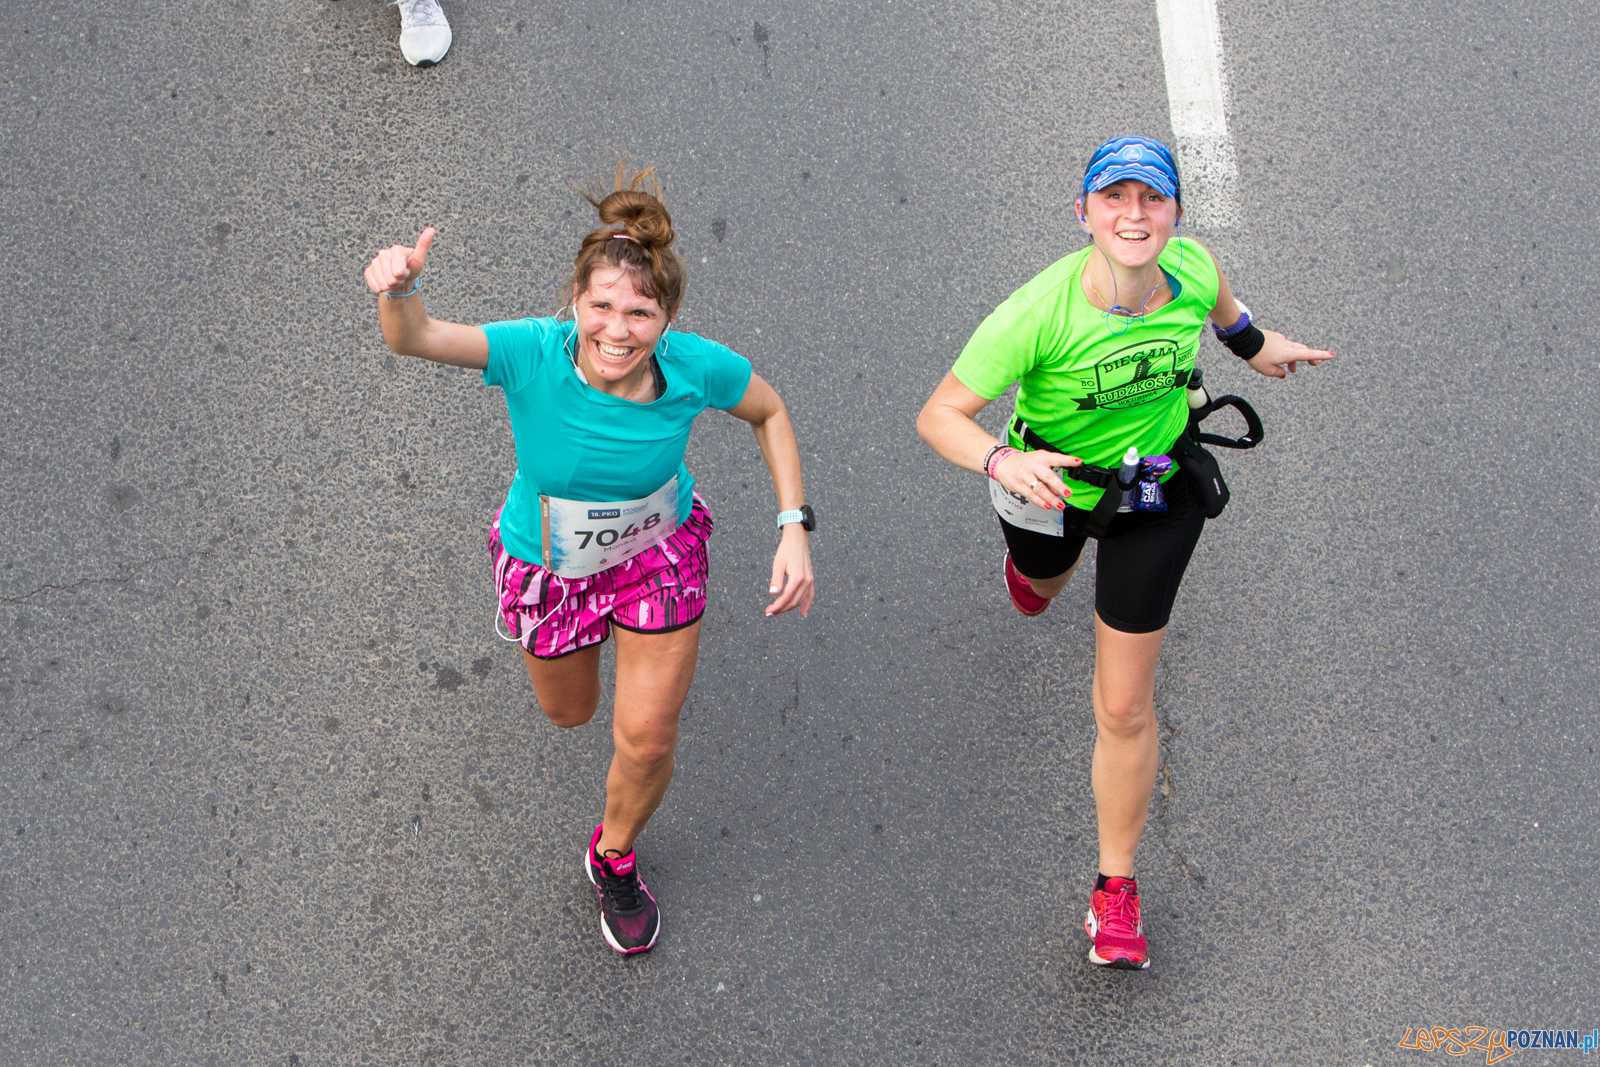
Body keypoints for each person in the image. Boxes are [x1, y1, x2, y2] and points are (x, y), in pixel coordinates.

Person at [363, 164, 816, 954]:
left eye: (639, 311)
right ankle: (593, 658)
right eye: (601, 305)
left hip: (659, 553)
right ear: (574, 302)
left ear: (667, 317)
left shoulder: (695, 367)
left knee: (647, 737)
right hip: (552, 566)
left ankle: (614, 853)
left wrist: (793, 524)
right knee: (570, 713)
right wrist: (398, 289)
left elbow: (770, 410)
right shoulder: (532, 352)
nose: (617, 329)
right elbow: (416, 338)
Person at [916, 136, 1331, 970]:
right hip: (1052, 487)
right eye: (1115, 199)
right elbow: (939, 416)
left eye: (1153, 200)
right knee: (1042, 584)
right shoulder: (1036, 313)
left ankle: (1115, 890)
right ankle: (1036, 576)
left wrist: (1264, 346)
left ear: (1175, 213)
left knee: (1124, 706)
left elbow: (1231, 321)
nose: (1134, 216)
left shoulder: (1193, 270)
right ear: (1085, 214)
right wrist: (1004, 460)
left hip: (1156, 495)